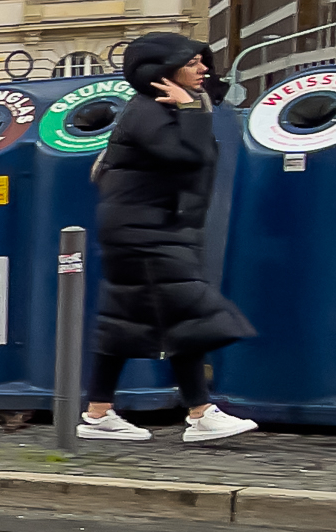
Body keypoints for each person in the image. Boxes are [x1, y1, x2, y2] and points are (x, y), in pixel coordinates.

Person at [79, 34, 259, 444]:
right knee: (188, 314)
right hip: (143, 230)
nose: (203, 70)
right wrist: (194, 109)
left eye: (203, 63)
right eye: (193, 63)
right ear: (166, 68)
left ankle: (98, 414)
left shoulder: (163, 109)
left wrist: (197, 105)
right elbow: (189, 157)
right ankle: (201, 412)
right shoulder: (146, 110)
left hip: (150, 226)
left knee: (126, 320)